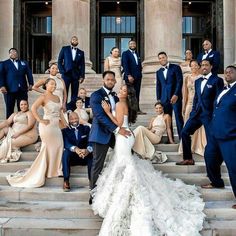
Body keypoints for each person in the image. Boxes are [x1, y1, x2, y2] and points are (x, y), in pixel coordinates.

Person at [92, 84, 205, 236]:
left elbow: (118, 124)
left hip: (122, 137)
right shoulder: (126, 104)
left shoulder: (119, 103)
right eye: (121, 89)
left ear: (127, 94)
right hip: (126, 136)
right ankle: (124, 190)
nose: (120, 91)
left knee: (124, 166)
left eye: (123, 90)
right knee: (125, 166)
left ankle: (129, 194)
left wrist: (107, 112)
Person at [6, 78, 67, 188]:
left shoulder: (58, 97)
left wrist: (65, 123)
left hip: (56, 126)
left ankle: (55, 170)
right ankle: (47, 171)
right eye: (51, 84)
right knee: (48, 147)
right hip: (47, 126)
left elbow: (60, 112)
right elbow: (33, 108)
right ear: (46, 85)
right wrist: (40, 120)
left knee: (59, 146)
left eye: (55, 85)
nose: (53, 86)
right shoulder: (43, 97)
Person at [89, 71, 131, 198]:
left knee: (129, 156)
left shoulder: (115, 96)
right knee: (98, 165)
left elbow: (119, 116)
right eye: (108, 79)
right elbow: (100, 116)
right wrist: (117, 130)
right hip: (101, 135)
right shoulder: (96, 95)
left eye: (113, 80)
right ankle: (93, 194)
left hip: (115, 135)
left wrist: (122, 128)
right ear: (103, 80)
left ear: (115, 81)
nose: (110, 81)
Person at [176, 59, 224, 165]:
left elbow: (219, 99)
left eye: (206, 65)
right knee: (184, 132)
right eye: (202, 65)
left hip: (209, 115)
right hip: (197, 114)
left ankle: (214, 163)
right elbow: (196, 98)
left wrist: (216, 115)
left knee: (211, 139)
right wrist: (193, 111)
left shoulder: (217, 80)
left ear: (211, 66)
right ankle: (188, 158)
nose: (204, 67)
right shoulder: (198, 81)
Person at [201, 65, 236, 210]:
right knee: (209, 156)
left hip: (230, 136)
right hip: (215, 134)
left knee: (233, 168)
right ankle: (216, 181)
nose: (227, 74)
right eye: (226, 72)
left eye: (231, 72)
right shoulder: (223, 89)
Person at [178, 59, 206, 156]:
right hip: (189, 104)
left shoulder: (202, 77)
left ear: (199, 66)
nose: (193, 67)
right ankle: (187, 147)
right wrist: (184, 106)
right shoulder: (187, 78)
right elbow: (185, 94)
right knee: (187, 125)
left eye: (195, 65)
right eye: (192, 65)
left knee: (199, 126)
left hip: (199, 104)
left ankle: (197, 146)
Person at [62, 112, 93, 192]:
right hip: (73, 157)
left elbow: (90, 141)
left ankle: (92, 181)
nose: (74, 120)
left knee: (91, 155)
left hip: (84, 155)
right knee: (65, 154)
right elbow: (66, 143)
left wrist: (87, 150)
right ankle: (66, 180)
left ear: (78, 118)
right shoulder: (65, 131)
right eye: (72, 119)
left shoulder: (86, 128)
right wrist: (76, 149)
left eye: (76, 118)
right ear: (69, 120)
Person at [156, 51, 184, 140]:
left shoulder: (176, 67)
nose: (162, 59)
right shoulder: (158, 72)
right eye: (160, 58)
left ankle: (182, 139)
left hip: (175, 98)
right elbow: (158, 85)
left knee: (178, 118)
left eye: (163, 57)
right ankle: (170, 139)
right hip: (164, 99)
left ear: (166, 57)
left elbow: (180, 82)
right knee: (168, 120)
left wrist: (176, 94)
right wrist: (159, 99)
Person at [0, 48, 34, 118]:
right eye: (11, 52)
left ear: (17, 53)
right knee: (9, 109)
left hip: (22, 89)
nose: (13, 53)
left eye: (15, 52)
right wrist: (2, 86)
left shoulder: (24, 63)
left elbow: (29, 73)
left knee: (23, 108)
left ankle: (23, 124)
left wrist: (31, 83)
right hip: (9, 90)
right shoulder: (4, 63)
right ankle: (9, 126)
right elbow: (1, 75)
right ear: (9, 54)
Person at [58, 36, 85, 110]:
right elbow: (59, 60)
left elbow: (82, 65)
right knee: (64, 91)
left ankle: (72, 109)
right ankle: (63, 107)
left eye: (76, 40)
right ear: (71, 41)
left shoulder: (81, 52)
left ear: (78, 42)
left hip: (76, 75)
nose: (75, 40)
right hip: (66, 74)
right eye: (73, 39)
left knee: (75, 93)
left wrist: (82, 76)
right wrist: (62, 71)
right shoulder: (64, 49)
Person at [121, 40, 145, 114]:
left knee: (137, 93)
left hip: (138, 77)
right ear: (128, 45)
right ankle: (130, 110)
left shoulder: (137, 54)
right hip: (130, 77)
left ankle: (137, 109)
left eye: (134, 43)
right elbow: (125, 65)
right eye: (131, 44)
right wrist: (128, 75)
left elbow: (138, 65)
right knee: (130, 94)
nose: (132, 45)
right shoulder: (125, 53)